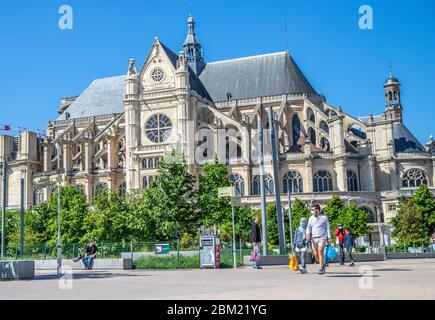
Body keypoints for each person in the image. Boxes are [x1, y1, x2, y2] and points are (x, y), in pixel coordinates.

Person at [306, 204, 331, 274]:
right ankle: (322, 265)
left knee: (320, 252)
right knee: (316, 254)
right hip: (314, 238)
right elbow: (308, 227)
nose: (312, 211)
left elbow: (327, 228)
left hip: (322, 237)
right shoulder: (311, 218)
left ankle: (320, 268)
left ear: (317, 210)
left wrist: (329, 238)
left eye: (313, 210)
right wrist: (307, 234)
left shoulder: (324, 218)